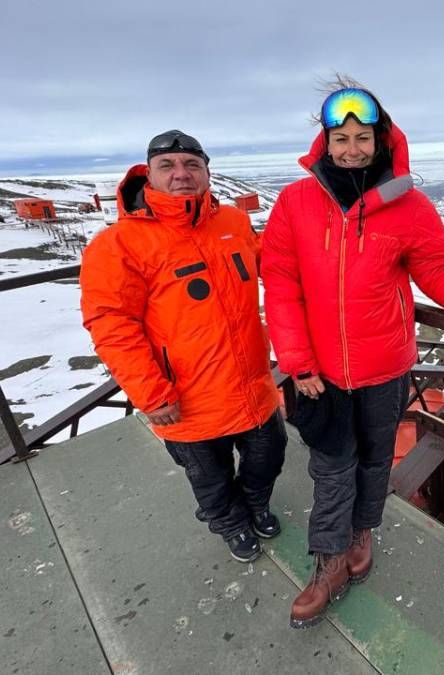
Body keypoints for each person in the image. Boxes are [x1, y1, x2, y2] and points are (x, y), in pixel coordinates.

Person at [261, 83, 444, 628]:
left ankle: (362, 531)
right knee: (331, 466)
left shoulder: (408, 206)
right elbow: (281, 282)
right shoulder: (296, 202)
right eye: (341, 138)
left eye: (363, 138)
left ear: (382, 141)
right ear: (325, 141)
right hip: (319, 375)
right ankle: (329, 559)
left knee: (373, 460)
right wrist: (297, 361)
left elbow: (439, 272)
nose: (352, 149)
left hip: (384, 367)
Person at [80, 130, 286, 564]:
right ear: (148, 175)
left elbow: (266, 259)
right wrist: (151, 394)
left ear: (207, 170)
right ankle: (229, 523)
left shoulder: (231, 221)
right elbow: (111, 324)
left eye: (192, 164)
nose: (181, 175)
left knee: (268, 456)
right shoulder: (117, 245)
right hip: (185, 398)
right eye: (167, 167)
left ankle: (254, 505)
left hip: (251, 383)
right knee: (208, 478)